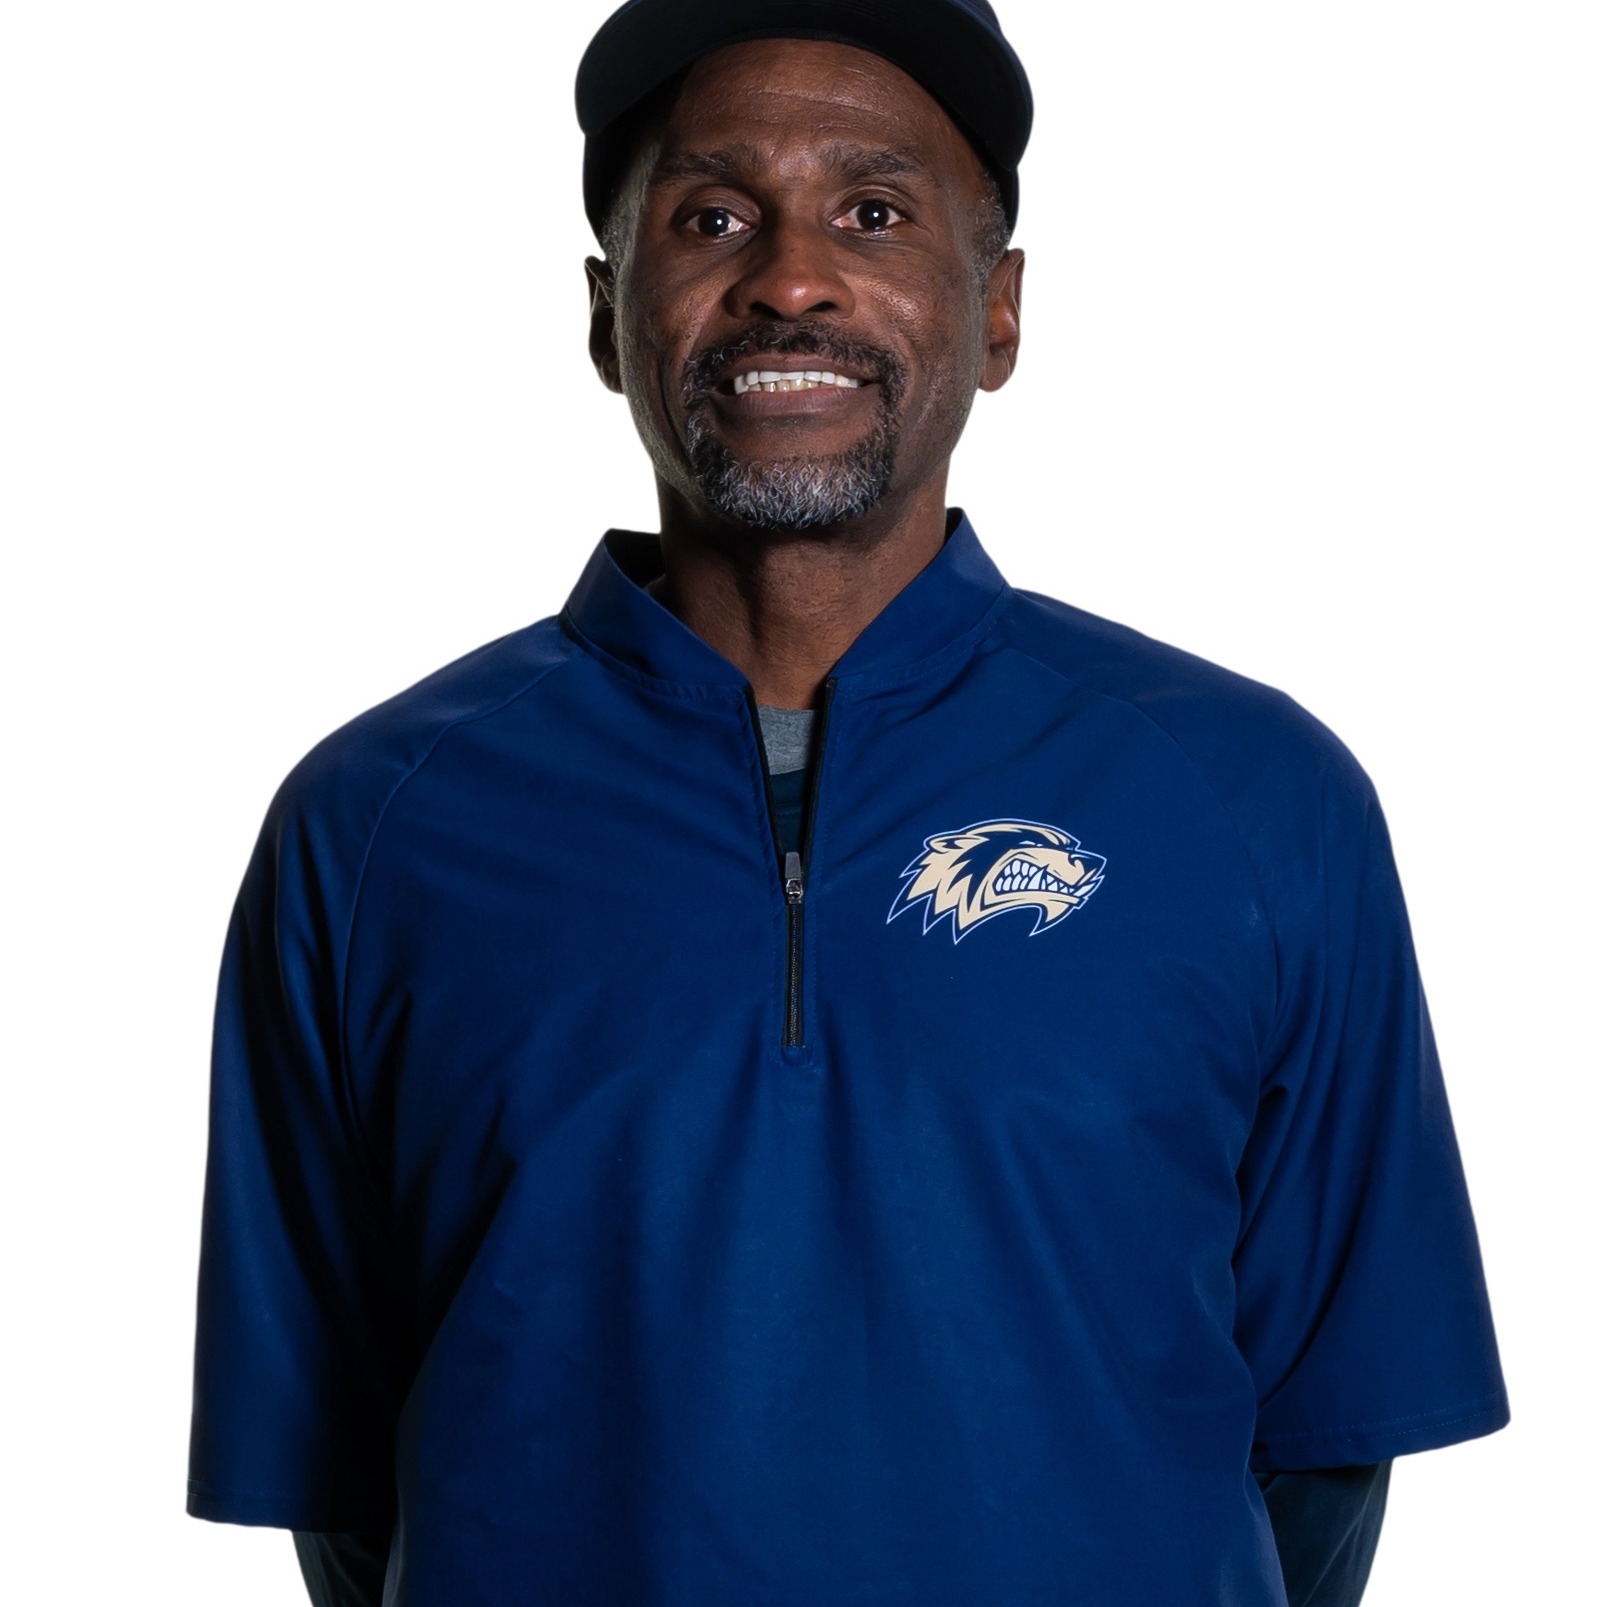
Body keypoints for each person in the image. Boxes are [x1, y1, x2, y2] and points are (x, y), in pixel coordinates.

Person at [186, 2, 1509, 1604]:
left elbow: (1323, 1441)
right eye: (711, 217)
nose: (790, 277)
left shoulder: (1253, 800)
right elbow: (346, 1482)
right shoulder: (374, 824)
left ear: (998, 312)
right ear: (608, 317)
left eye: (874, 213)